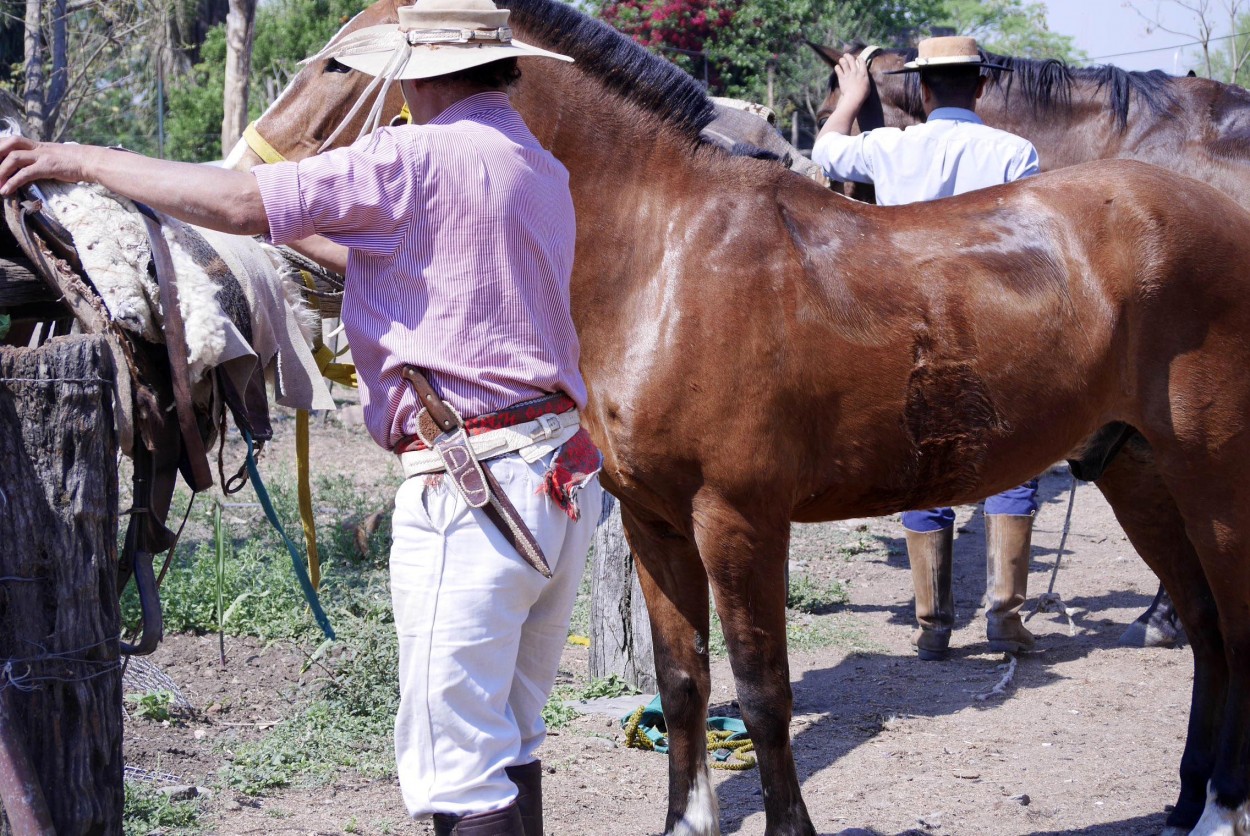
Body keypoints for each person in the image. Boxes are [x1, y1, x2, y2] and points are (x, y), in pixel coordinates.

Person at [0, 2, 601, 833]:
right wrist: (300, 233)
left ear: (410, 71)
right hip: (556, 478)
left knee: (456, 763)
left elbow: (245, 200)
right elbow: (410, 256)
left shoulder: (411, 157)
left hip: (475, 494)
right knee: (510, 737)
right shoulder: (534, 164)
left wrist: (80, 158)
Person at [811, 35, 1041, 662]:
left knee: (926, 461)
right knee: (1012, 463)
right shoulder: (1016, 153)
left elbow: (825, 153)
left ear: (922, 89)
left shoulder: (888, 147)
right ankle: (1005, 617)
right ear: (983, 86)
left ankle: (933, 625)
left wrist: (853, 96)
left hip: (909, 332)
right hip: (996, 326)